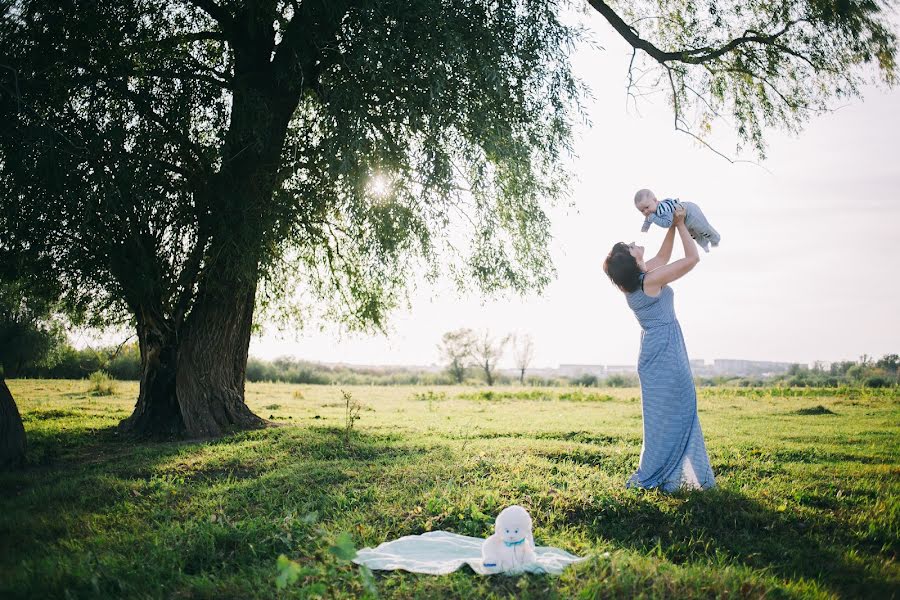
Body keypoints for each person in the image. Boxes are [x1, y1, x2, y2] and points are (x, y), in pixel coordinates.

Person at [603, 204, 716, 492]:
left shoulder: (638, 281)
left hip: (655, 351)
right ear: (632, 259)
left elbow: (664, 256)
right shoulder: (650, 280)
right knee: (681, 409)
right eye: (630, 246)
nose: (633, 243)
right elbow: (692, 259)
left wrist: (671, 224)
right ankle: (675, 477)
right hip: (665, 350)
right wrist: (679, 224)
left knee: (663, 418)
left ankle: (679, 476)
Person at [634, 188, 721, 252]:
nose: (645, 211)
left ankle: (715, 240)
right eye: (642, 210)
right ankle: (704, 245)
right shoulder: (651, 212)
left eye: (647, 207)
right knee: (693, 234)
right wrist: (644, 229)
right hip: (683, 220)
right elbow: (647, 220)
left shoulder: (663, 209)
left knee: (704, 229)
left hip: (691, 213)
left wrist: (653, 218)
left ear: (655, 200)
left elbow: (667, 223)